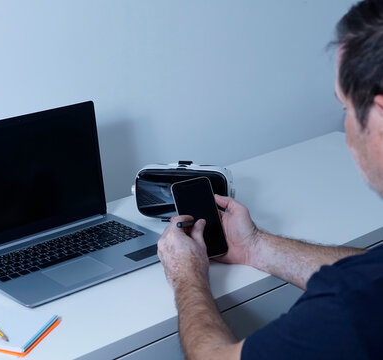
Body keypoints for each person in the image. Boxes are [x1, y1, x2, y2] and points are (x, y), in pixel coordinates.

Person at [157, 0, 383, 359]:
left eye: (346, 109)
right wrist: (255, 246)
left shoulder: (348, 310)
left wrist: (187, 276)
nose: (347, 131)